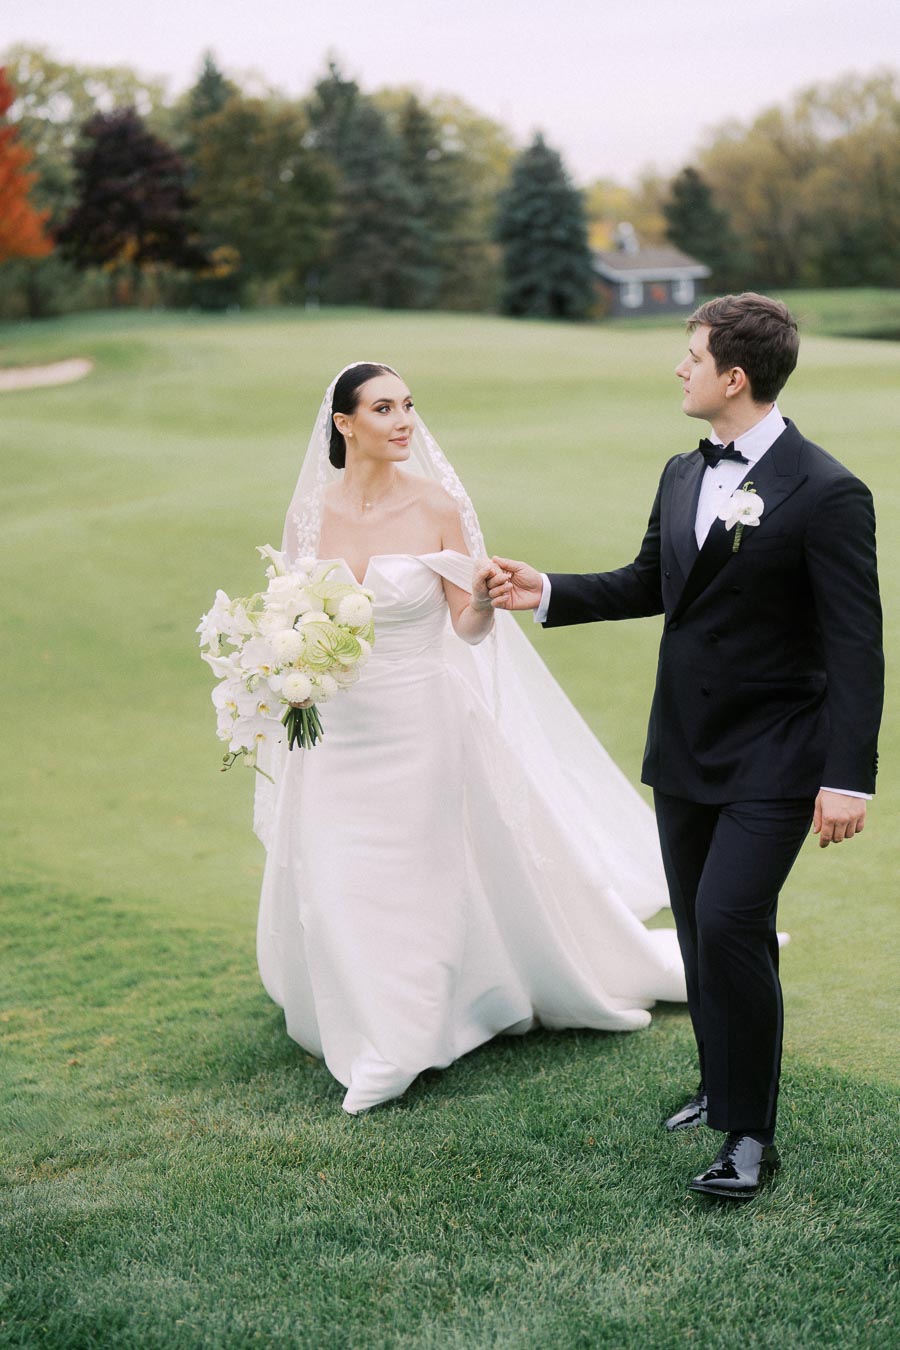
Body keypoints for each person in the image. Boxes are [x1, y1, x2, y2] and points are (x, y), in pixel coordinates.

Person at [488, 293, 884, 1199]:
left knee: (737, 923)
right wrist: (541, 589)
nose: (679, 367)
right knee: (701, 929)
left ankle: (751, 1136)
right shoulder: (680, 472)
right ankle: (716, 1083)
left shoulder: (828, 492)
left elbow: (857, 647)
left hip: (779, 754)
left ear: (733, 376)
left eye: (692, 354)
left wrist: (847, 780)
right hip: (686, 747)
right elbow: (651, 581)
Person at [254, 361, 686, 1115]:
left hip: (421, 718)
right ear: (345, 424)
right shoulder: (312, 514)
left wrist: (487, 602)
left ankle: (400, 1045)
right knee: (333, 882)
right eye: (383, 408)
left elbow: (468, 624)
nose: (404, 421)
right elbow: (293, 615)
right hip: (337, 729)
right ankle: (374, 1029)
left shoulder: (438, 506)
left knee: (416, 880)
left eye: (409, 406)